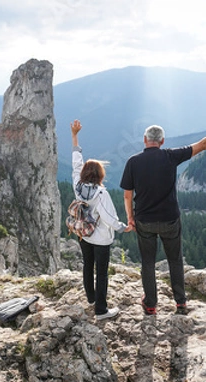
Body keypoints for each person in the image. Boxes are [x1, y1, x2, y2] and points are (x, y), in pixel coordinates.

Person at [120, 111, 206, 315]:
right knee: (175, 260)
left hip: (145, 220)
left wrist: (130, 218)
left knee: (148, 262)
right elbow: (204, 144)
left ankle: (151, 304)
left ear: (144, 140)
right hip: (170, 218)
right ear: (162, 141)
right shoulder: (171, 156)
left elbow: (128, 195)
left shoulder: (133, 162)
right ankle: (180, 303)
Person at [71, 119, 133, 321]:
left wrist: (75, 136)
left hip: (83, 234)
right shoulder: (100, 193)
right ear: (99, 175)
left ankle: (91, 299)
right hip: (100, 239)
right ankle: (100, 310)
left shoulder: (77, 185)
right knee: (102, 273)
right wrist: (123, 227)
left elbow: (76, 163)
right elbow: (108, 217)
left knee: (88, 266)